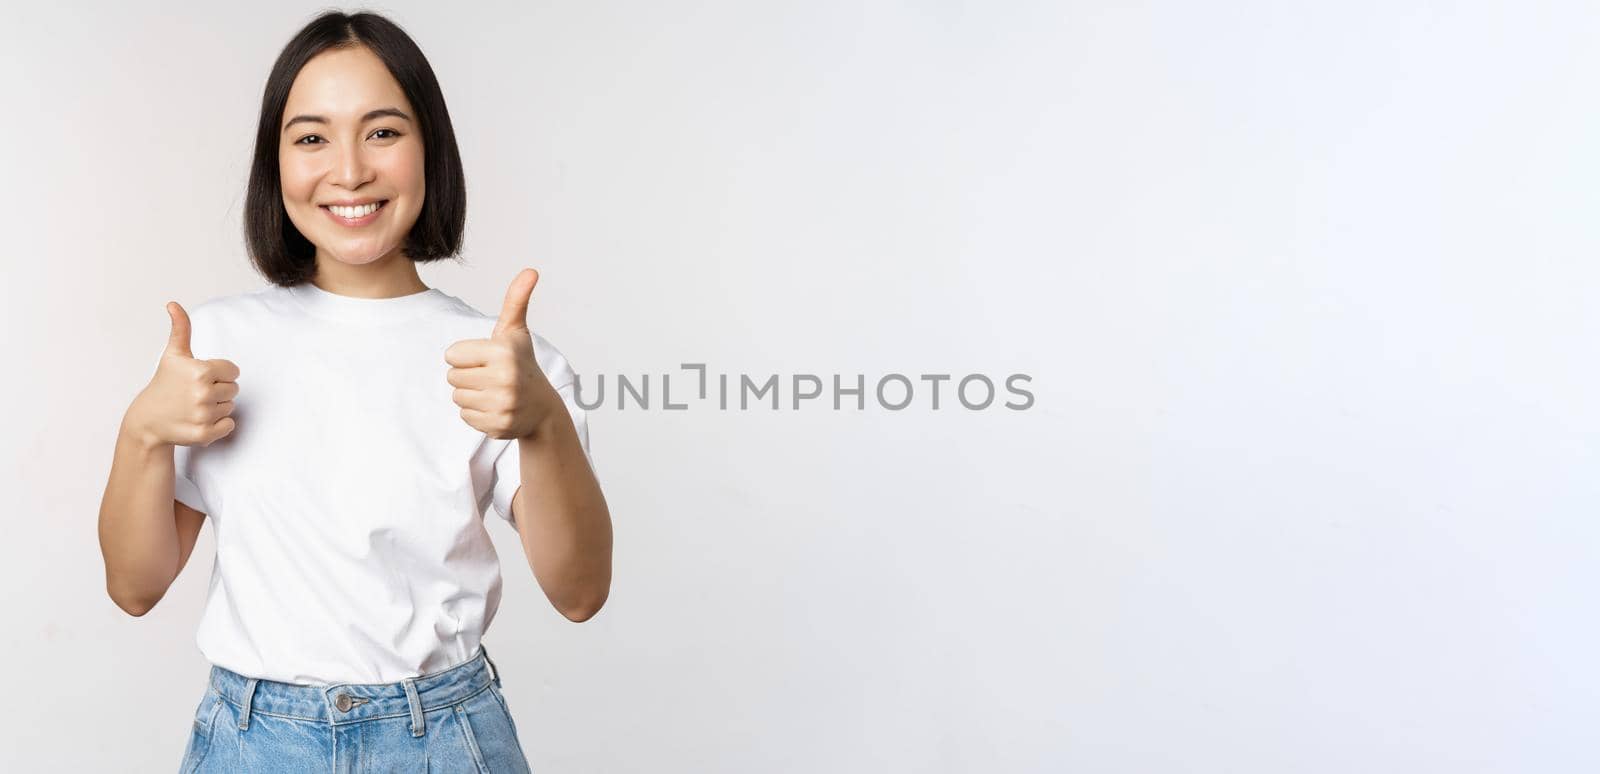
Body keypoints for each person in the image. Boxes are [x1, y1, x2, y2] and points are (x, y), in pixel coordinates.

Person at [94, 11, 613, 772]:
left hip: (441, 738)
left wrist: (545, 424)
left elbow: (580, 591)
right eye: (311, 137)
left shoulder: (503, 363)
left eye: (383, 132)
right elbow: (134, 587)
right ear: (276, 164)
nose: (348, 169)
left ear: (430, 148)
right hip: (253, 741)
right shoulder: (215, 346)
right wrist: (141, 434)